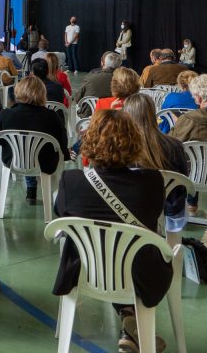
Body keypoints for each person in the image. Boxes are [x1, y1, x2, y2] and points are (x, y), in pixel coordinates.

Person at [53, 109, 172, 353]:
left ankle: (128, 323)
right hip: (141, 275)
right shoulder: (151, 181)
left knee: (110, 249)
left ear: (90, 140)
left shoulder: (71, 180)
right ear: (134, 142)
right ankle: (131, 322)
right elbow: (153, 217)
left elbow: (61, 214)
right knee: (139, 249)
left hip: (87, 271)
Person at [0, 76, 69, 203]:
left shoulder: (5, 115)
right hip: (44, 163)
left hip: (12, 161)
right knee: (46, 152)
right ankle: (51, 195)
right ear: (42, 93)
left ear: (18, 92)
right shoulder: (52, 117)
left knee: (26, 149)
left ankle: (30, 190)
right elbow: (62, 143)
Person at [122, 94, 188, 230]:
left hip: (126, 211)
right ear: (153, 113)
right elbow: (183, 181)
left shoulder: (119, 148)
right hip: (167, 212)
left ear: (126, 114)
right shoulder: (174, 145)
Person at [170, 74, 207, 216]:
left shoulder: (187, 120)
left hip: (192, 176)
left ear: (199, 97)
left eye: (194, 96)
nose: (193, 98)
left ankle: (183, 207)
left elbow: (170, 146)